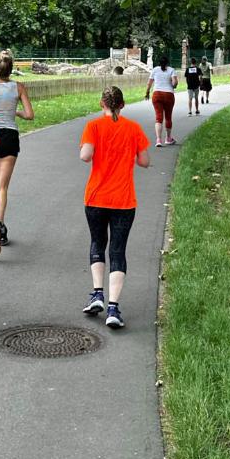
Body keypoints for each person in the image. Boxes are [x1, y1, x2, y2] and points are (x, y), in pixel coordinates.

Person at [79, 86, 151, 329]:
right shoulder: (133, 128)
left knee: (97, 243)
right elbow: (144, 161)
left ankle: (97, 293)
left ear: (102, 104)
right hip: (123, 200)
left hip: (96, 197)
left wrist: (91, 147)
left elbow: (85, 156)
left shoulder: (93, 127)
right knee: (118, 251)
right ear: (122, 105)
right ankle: (113, 308)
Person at [0, 49, 35, 252]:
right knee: (2, 187)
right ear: (10, 69)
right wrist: (15, 112)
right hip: (9, 136)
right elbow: (30, 115)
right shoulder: (19, 87)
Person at [145, 54, 178, 147]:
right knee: (168, 117)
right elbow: (174, 83)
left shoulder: (155, 70)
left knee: (158, 118)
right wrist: (174, 85)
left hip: (157, 95)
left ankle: (158, 140)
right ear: (167, 63)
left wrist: (147, 93)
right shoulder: (171, 70)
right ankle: (168, 138)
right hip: (169, 95)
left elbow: (149, 83)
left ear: (159, 63)